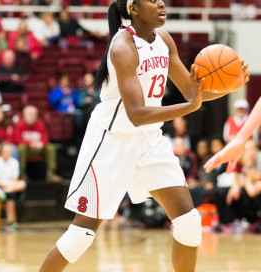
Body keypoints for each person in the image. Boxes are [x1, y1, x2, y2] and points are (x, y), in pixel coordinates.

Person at [39, 1, 249, 271]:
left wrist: (231, 85)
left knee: (189, 221)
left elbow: (191, 92)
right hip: (111, 142)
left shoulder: (164, 40)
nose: (161, 3)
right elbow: (137, 113)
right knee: (82, 235)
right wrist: (190, 107)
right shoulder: (122, 46)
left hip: (149, 139)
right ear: (133, 9)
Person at [204, 97, 261, 174]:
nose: (241, 111)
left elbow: (255, 140)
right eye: (239, 109)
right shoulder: (230, 122)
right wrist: (239, 140)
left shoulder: (250, 121)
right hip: (236, 150)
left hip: (246, 150)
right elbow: (227, 138)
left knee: (248, 150)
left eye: (243, 109)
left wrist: (242, 141)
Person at [13, 105, 61, 182]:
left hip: (38, 148)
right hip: (26, 149)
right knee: (20, 148)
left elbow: (46, 138)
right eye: (29, 114)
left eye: (33, 114)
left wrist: (41, 144)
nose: (31, 116)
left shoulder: (40, 124)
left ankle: (51, 173)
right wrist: (30, 143)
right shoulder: (19, 124)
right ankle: (22, 174)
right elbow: (16, 140)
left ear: (36, 116)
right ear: (24, 115)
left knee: (50, 147)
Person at [0, 143, 26, 231]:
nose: (9, 153)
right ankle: (10, 222)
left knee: (22, 183)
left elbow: (15, 179)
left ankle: (6, 191)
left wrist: (8, 187)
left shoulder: (14, 162)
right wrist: (7, 186)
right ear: (1, 152)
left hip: (10, 187)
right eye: (6, 151)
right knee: (11, 195)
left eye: (10, 151)